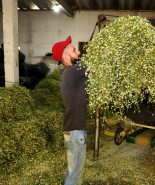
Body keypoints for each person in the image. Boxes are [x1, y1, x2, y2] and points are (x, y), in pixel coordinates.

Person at [52, 36, 90, 185]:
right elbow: (95, 63)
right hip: (76, 133)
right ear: (66, 56)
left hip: (73, 132)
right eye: (74, 50)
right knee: (76, 177)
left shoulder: (72, 74)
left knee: (73, 172)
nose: (79, 52)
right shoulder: (72, 71)